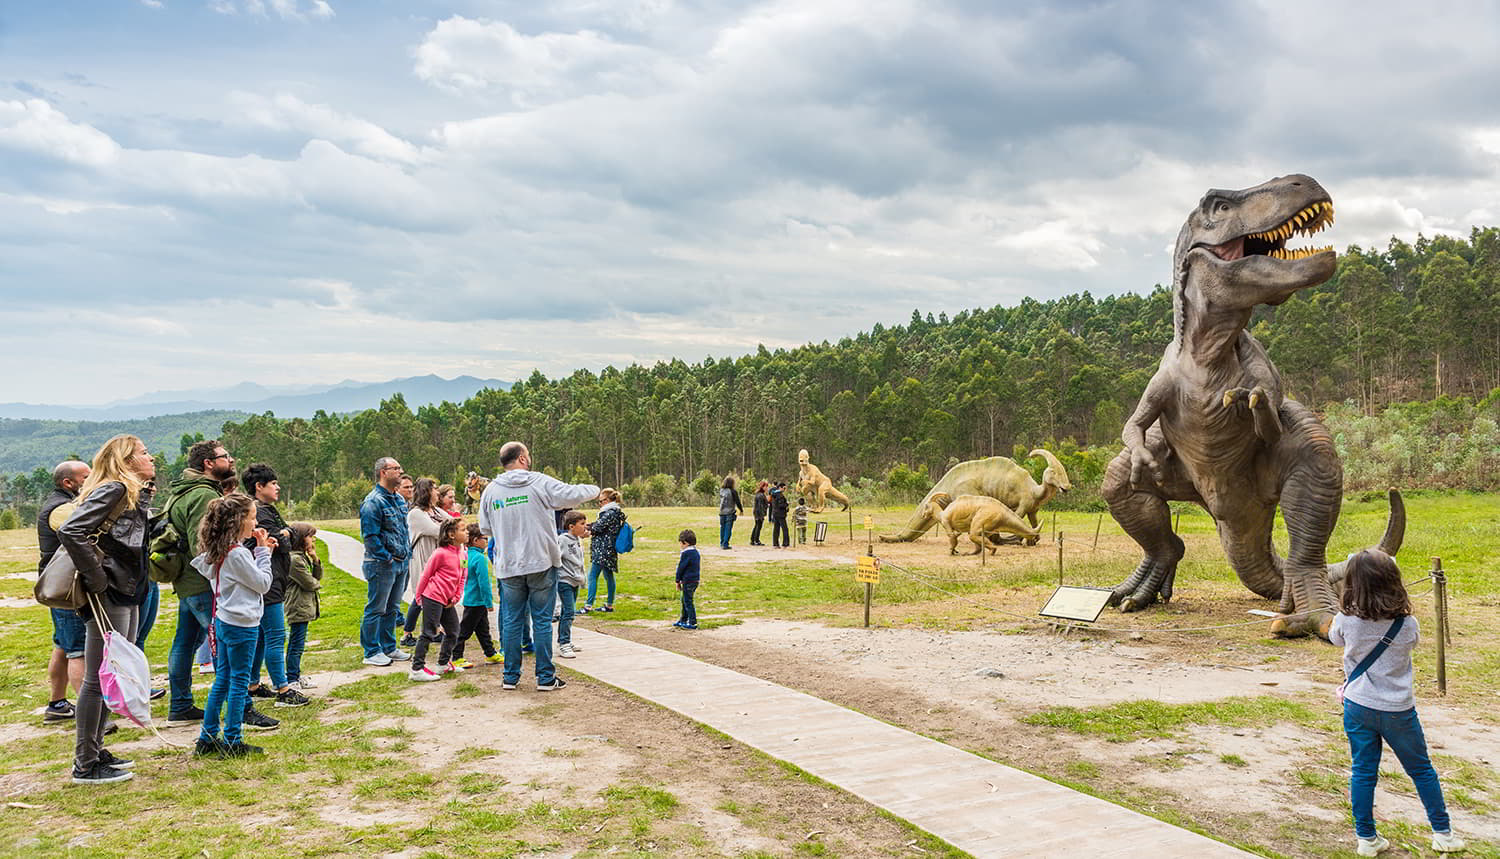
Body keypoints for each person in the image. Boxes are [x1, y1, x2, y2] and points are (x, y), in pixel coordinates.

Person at [1331, 550, 1466, 857]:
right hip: (1398, 710)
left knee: (1363, 772)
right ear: (1394, 582)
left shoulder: (1346, 619)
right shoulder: (1407, 624)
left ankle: (1367, 839)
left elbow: (1336, 638)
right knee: (1421, 770)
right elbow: (1411, 644)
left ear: (1352, 583)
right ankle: (1443, 834)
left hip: (1358, 706)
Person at [58, 435, 154, 784]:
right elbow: (72, 530)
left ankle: (96, 751)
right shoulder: (113, 489)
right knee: (98, 678)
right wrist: (97, 580)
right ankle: (85, 764)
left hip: (127, 589)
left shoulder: (132, 492)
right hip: (110, 592)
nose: (151, 458)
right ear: (126, 460)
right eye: (144, 453)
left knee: (112, 672)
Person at [478, 441, 601, 692]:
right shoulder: (539, 482)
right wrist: (596, 489)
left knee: (512, 621)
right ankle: (545, 677)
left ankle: (510, 677)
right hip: (541, 561)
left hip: (509, 565)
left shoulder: (491, 491)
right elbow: (571, 493)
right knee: (542, 620)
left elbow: (485, 529)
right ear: (522, 458)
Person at [190, 492, 274, 759]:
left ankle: (207, 737)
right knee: (238, 682)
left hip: (225, 620)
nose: (256, 521)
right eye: (252, 517)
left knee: (222, 680)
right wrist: (263, 552)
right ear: (238, 521)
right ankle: (233, 739)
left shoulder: (218, 551)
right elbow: (262, 584)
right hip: (242, 624)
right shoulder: (238, 555)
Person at [165, 439, 239, 728]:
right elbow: (204, 544)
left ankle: (180, 705)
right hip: (204, 581)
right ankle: (238, 705)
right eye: (225, 456)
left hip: (186, 579)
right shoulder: (203, 494)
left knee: (185, 642)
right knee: (226, 639)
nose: (230, 460)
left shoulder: (181, 491)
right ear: (209, 463)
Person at [242, 464, 308, 710]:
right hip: (268, 581)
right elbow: (281, 541)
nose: (278, 487)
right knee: (275, 635)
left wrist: (286, 533)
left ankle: (253, 684)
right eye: (273, 484)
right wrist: (286, 534)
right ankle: (283, 688)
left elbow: (287, 535)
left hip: (273, 578)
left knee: (260, 636)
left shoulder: (266, 509)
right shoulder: (259, 511)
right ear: (259, 487)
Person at [39, 459, 90, 725]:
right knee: (77, 651)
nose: (91, 480)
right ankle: (90, 714)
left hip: (58, 587)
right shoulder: (62, 509)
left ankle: (57, 703)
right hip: (67, 588)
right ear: (68, 483)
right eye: (86, 476)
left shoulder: (58, 503)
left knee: (62, 646)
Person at [358, 457, 411, 667]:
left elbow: (402, 530)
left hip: (401, 562)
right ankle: (371, 651)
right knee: (376, 608)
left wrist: (406, 555)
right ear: (383, 472)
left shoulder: (398, 500)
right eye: (395, 468)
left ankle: (389, 647)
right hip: (382, 564)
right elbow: (370, 536)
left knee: (392, 608)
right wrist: (386, 557)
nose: (400, 471)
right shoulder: (373, 502)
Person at [408, 518, 466, 681]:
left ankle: (442, 664)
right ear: (451, 534)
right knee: (429, 632)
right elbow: (426, 575)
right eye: (462, 529)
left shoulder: (463, 552)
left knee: (454, 631)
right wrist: (419, 597)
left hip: (448, 600)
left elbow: (462, 577)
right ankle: (416, 669)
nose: (466, 532)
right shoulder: (440, 553)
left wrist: (456, 596)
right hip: (432, 597)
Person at [401, 478, 454, 646]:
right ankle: (410, 634)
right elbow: (438, 531)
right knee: (422, 596)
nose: (437, 492)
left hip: (436, 559)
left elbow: (453, 524)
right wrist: (452, 530)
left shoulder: (436, 511)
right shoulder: (416, 514)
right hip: (422, 558)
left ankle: (433, 630)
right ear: (426, 492)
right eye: (434, 489)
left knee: (431, 595)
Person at [452, 524, 499, 668]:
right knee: (464, 631)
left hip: (469, 599)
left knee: (483, 629)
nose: (486, 541)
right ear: (475, 540)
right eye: (484, 538)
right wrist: (489, 602)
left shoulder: (465, 555)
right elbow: (484, 583)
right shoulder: (480, 558)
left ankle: (490, 653)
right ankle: (456, 656)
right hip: (478, 601)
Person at [283, 522, 322, 690]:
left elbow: (316, 576)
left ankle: (296, 674)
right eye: (310, 536)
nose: (313, 539)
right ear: (300, 538)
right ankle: (291, 677)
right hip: (297, 605)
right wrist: (316, 583)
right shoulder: (294, 560)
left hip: (304, 605)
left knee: (299, 643)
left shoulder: (302, 557)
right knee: (296, 644)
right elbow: (310, 583)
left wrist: (315, 559)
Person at [583, 489, 626, 613]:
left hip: (603, 550)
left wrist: (586, 529)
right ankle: (609, 604)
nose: (600, 504)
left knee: (592, 576)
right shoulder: (615, 512)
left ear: (607, 500)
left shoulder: (609, 513)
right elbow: (599, 525)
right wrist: (588, 526)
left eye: (601, 501)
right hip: (609, 549)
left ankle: (588, 605)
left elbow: (598, 527)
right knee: (608, 576)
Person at [555, 511, 588, 658]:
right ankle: (564, 644)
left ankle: (565, 640)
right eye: (582, 524)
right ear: (571, 526)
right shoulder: (563, 540)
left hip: (575, 581)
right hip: (565, 581)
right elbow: (556, 557)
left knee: (568, 612)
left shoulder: (576, 540)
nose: (585, 526)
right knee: (569, 612)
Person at [672, 529, 701, 630]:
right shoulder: (696, 552)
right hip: (695, 580)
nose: (680, 545)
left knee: (688, 601)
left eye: (681, 543)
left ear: (685, 543)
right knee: (685, 600)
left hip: (688, 581)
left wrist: (677, 580)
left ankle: (692, 622)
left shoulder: (686, 553)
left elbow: (681, 568)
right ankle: (683, 619)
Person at [717, 476, 742, 550]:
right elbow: (737, 501)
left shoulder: (721, 490)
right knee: (728, 529)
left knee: (722, 528)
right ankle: (725, 544)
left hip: (722, 512)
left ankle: (722, 543)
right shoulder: (733, 491)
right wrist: (741, 510)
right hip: (730, 512)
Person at [770, 481, 790, 548]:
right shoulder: (780, 495)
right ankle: (785, 543)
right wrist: (787, 504)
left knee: (776, 529)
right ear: (780, 487)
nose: (784, 490)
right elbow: (781, 505)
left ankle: (775, 543)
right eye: (784, 488)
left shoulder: (773, 494)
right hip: (781, 514)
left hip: (775, 513)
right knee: (785, 529)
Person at [750, 481, 769, 546]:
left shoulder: (759, 494)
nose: (767, 488)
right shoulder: (761, 495)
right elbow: (760, 506)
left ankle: (753, 540)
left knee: (756, 526)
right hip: (759, 513)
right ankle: (756, 540)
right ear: (762, 487)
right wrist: (761, 515)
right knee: (758, 526)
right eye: (765, 486)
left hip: (757, 512)